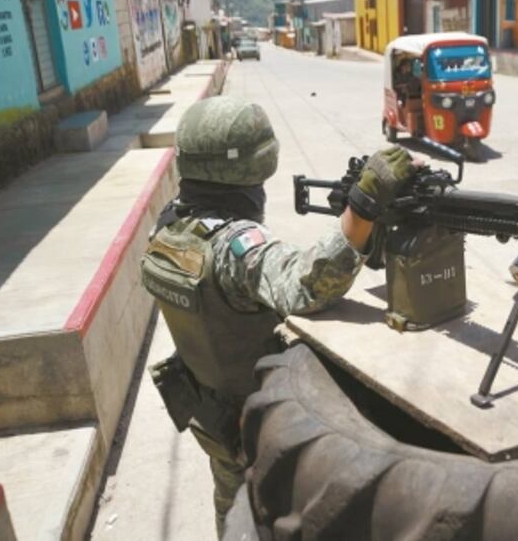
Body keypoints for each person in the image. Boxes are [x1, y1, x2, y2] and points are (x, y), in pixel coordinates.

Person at [141, 96, 414, 536]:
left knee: (231, 506)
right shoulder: (234, 246)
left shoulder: (170, 227)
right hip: (258, 422)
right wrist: (361, 208)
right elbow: (305, 285)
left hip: (206, 409)